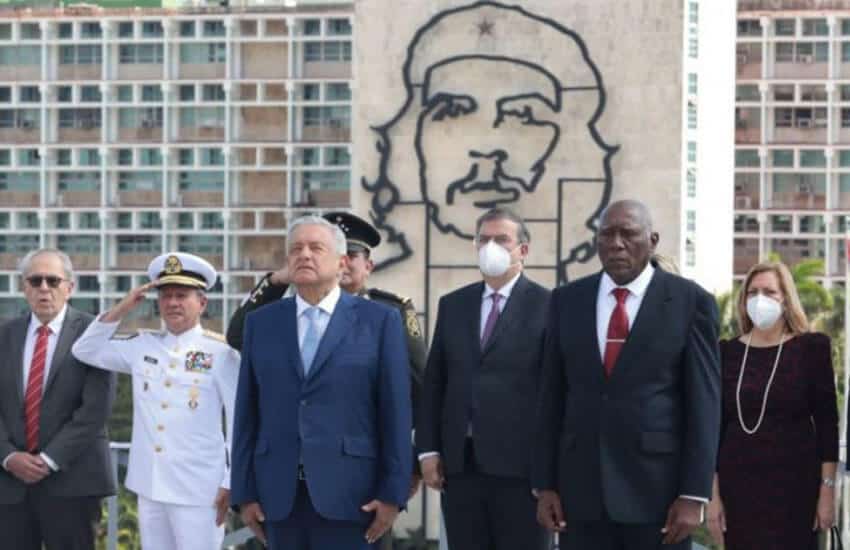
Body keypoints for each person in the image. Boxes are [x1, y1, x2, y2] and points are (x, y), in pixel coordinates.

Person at [362, 1, 617, 283]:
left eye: (522, 115)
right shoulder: (385, 308)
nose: (487, 149)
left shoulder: (588, 307)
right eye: (453, 112)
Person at [533, 199, 721, 550]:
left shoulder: (690, 302)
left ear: (652, 240)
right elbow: (551, 395)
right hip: (580, 493)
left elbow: (704, 405)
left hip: (659, 496)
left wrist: (694, 493)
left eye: (628, 234)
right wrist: (544, 484)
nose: (616, 243)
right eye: (607, 234)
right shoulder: (566, 300)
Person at [230, 215, 412, 550]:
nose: (304, 255)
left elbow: (396, 412)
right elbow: (247, 413)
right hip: (278, 497)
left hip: (353, 497)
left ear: (342, 262)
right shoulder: (262, 324)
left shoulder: (379, 321)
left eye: (316, 248)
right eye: (296, 249)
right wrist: (244, 492)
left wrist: (393, 494)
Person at [71, 252, 240, 550]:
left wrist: (230, 480)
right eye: (165, 296)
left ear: (202, 303)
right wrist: (123, 307)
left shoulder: (222, 354)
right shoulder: (142, 345)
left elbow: (239, 421)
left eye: (182, 295)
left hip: (199, 489)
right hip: (150, 484)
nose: (172, 303)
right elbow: (85, 350)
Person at [417, 207, 549, 549]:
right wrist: (428, 450)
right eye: (484, 239)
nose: (491, 246)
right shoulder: (453, 305)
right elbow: (435, 383)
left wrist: (551, 471)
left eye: (501, 239)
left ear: (523, 249)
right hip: (461, 467)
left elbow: (556, 391)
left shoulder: (550, 306)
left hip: (522, 471)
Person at [706, 261, 838, 549]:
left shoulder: (811, 348)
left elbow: (828, 425)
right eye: (752, 292)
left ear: (786, 299)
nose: (759, 299)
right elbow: (713, 429)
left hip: (796, 489)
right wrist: (713, 496)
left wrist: (827, 491)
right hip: (737, 489)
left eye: (769, 292)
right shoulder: (726, 352)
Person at [0, 248, 115, 550]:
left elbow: (95, 410)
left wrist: (48, 460)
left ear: (70, 287)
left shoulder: (94, 333)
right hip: (10, 484)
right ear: (24, 287)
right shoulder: (4, 334)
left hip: (73, 481)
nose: (44, 289)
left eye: (53, 281)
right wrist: (9, 456)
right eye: (35, 281)